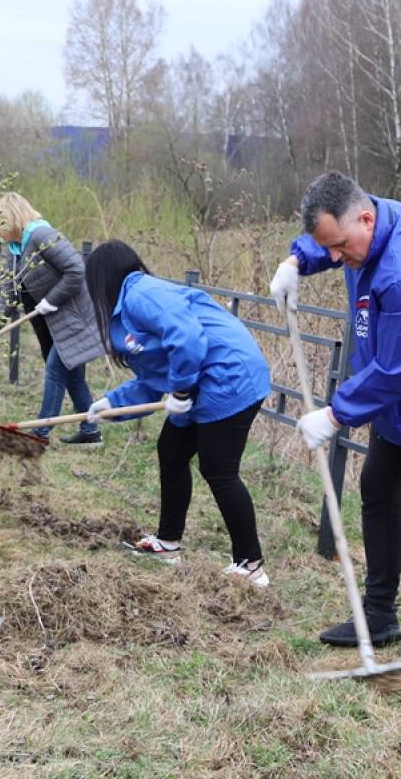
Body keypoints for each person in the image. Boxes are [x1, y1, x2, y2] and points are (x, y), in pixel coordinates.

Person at [269, 171, 401, 660]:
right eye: (328, 249)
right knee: (377, 490)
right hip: (394, 391)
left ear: (366, 220)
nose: (335, 258)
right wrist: (295, 261)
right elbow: (327, 236)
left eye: (340, 247)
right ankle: (379, 613)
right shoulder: (364, 223)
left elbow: (397, 370)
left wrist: (335, 414)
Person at [84, 240, 272, 587]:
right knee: (171, 451)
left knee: (218, 468)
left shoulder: (142, 293)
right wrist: (112, 404)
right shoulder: (126, 311)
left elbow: (186, 338)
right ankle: (168, 544)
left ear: (103, 279)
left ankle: (250, 564)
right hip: (202, 378)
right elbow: (154, 377)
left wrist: (183, 390)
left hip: (229, 375)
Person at [0, 192, 104, 446]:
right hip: (49, 323)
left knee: (56, 370)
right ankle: (91, 432)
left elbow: (76, 269)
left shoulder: (41, 235)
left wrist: (52, 299)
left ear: (12, 219)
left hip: (73, 317)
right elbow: (10, 293)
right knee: (73, 376)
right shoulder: (15, 250)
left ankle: (39, 434)